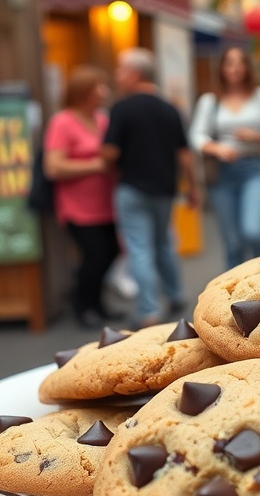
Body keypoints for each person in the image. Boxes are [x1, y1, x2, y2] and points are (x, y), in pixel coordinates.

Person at [102, 47, 198, 328]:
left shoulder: (121, 108)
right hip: (165, 189)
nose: (118, 76)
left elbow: (109, 153)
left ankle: (148, 309)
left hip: (132, 188)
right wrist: (193, 187)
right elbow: (185, 155)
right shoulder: (170, 108)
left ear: (135, 73)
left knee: (139, 248)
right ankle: (175, 293)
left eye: (121, 70)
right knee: (163, 242)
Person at [189, 45, 260, 270]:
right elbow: (196, 134)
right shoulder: (210, 100)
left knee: (253, 231)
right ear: (222, 68)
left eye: (239, 63)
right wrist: (214, 147)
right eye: (229, 63)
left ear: (247, 67)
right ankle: (236, 296)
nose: (234, 69)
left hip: (254, 169)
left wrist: (257, 136)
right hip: (222, 173)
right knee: (232, 242)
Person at [43, 65, 120, 328]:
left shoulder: (102, 118)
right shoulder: (62, 121)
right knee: (95, 254)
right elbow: (53, 166)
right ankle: (83, 303)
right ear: (84, 91)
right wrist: (95, 165)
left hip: (106, 203)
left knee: (111, 251)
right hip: (78, 207)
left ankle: (97, 302)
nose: (104, 91)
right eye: (99, 86)